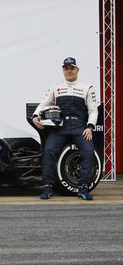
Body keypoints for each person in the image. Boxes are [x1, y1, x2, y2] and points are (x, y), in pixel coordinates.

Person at [32, 57, 98, 200]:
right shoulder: (56, 87)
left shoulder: (87, 87)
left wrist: (90, 127)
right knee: (49, 150)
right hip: (59, 128)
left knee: (88, 152)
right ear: (63, 70)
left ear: (77, 70)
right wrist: (35, 116)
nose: (69, 71)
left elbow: (93, 110)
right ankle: (48, 186)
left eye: (72, 68)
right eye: (66, 68)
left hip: (80, 127)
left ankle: (83, 187)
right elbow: (43, 104)